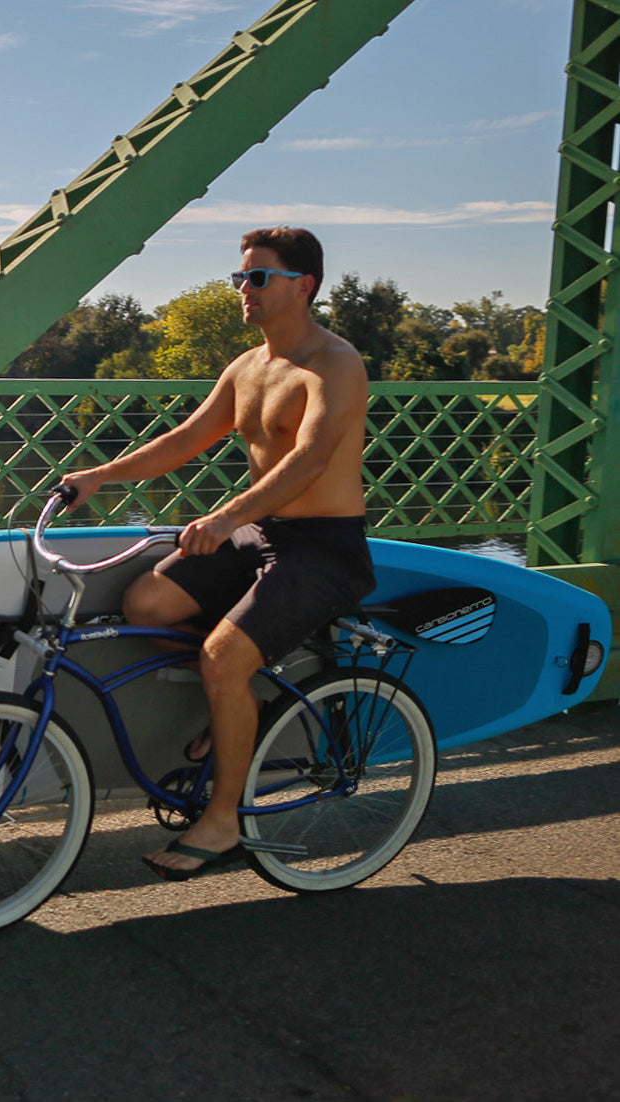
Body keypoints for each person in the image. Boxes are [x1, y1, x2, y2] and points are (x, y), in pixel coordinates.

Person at [60, 226, 375, 881]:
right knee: (145, 601)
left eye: (258, 277)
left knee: (221, 656)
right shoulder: (248, 368)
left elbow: (310, 460)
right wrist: (101, 474)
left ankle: (224, 820)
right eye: (241, 278)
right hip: (263, 536)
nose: (243, 290)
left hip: (324, 549)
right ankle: (233, 697)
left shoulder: (334, 363)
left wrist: (226, 516)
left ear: (304, 285)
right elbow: (183, 440)